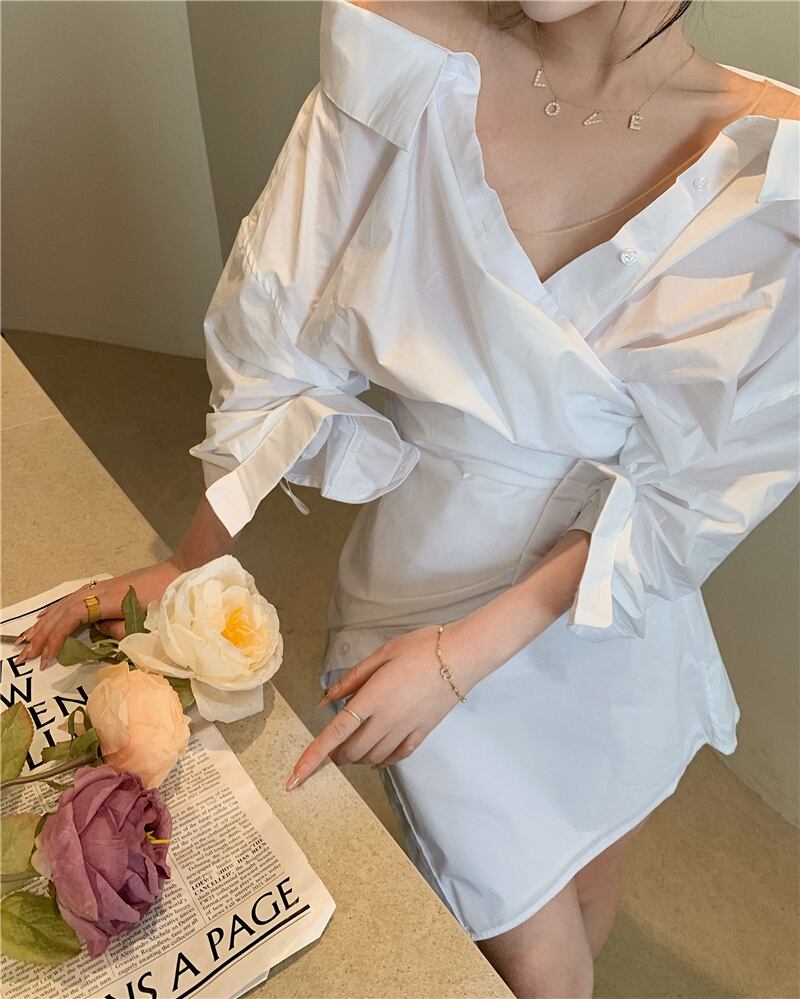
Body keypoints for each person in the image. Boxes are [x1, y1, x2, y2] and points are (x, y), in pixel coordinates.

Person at [17, 1, 799, 995]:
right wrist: (191, 562)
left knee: (585, 851)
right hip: (418, 590)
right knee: (526, 950)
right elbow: (281, 327)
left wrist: (459, 661)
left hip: (602, 613)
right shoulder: (403, 53)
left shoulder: (777, 172)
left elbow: (687, 490)